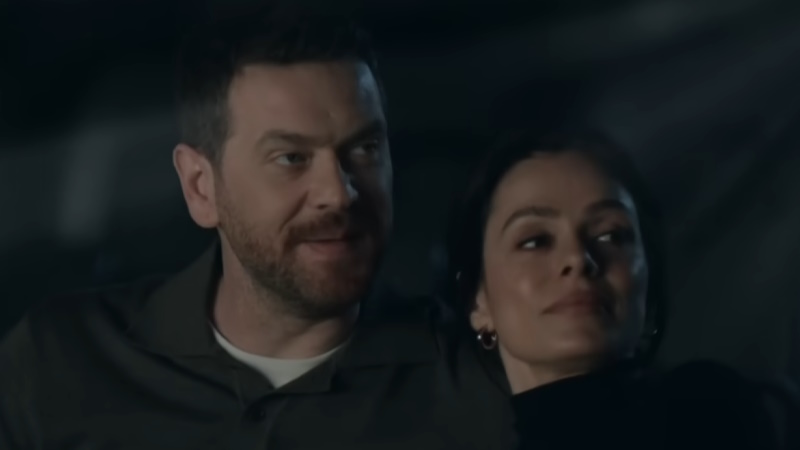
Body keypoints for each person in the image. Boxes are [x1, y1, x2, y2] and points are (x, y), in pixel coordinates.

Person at [0, 11, 516, 449]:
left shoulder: (477, 389)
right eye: (291, 158)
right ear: (201, 187)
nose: (338, 193)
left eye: (365, 149)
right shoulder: (56, 363)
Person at [443, 129, 796, 450]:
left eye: (610, 235)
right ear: (477, 301)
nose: (578, 259)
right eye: (535, 241)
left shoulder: (709, 410)